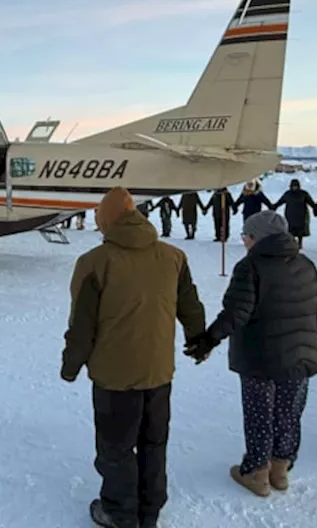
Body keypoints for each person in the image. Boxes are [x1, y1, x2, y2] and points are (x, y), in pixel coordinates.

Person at [61, 187, 206, 528]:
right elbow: (191, 306)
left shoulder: (94, 262)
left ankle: (120, 512)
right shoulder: (173, 256)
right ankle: (150, 507)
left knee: (116, 448)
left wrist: (71, 364)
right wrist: (199, 342)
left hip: (114, 376)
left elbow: (82, 324)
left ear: (106, 220)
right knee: (154, 442)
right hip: (158, 371)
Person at [183, 212, 317, 497]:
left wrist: (208, 340)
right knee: (289, 413)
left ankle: (258, 473)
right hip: (301, 357)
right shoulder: (305, 264)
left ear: (258, 238)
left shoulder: (250, 266)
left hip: (261, 358)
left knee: (260, 415)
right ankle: (280, 469)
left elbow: (236, 312)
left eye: (246, 236)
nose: (243, 241)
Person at [273, 179, 317, 247]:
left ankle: (300, 243)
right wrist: (274, 207)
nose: (294, 187)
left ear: (298, 186)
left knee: (300, 230)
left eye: (296, 186)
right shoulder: (287, 194)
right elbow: (280, 201)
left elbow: (311, 202)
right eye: (293, 186)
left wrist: (315, 209)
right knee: (291, 230)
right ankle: (292, 243)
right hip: (290, 215)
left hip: (301, 215)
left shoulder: (303, 194)